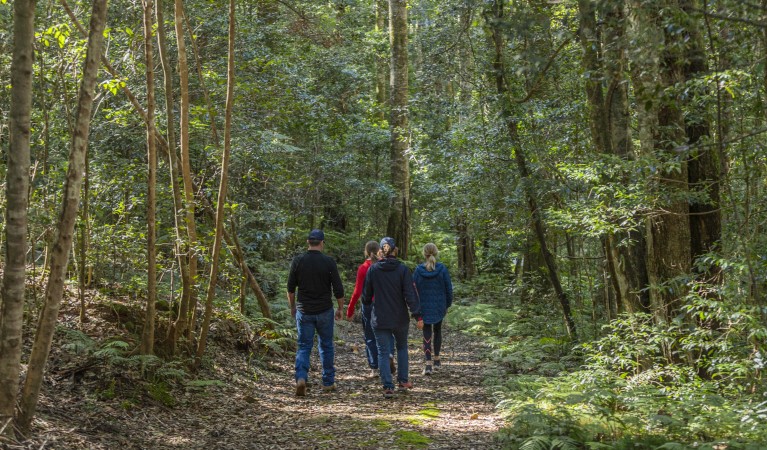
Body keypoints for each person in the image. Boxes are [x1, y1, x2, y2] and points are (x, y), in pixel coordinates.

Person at [363, 237, 423, 398]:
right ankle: (403, 380)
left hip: (380, 317)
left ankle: (388, 386)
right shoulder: (402, 270)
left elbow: (366, 296)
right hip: (399, 318)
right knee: (402, 347)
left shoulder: (373, 270)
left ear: (381, 251)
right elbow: (410, 294)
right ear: (395, 250)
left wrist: (367, 303)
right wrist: (417, 315)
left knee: (383, 352)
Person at [287, 229, 345, 396]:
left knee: (304, 346)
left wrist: (292, 307)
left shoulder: (298, 261)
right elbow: (338, 289)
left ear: (308, 242)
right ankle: (328, 382)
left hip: (304, 311)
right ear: (322, 243)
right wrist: (340, 308)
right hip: (325, 310)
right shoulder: (329, 262)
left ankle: (301, 378)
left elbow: (291, 289)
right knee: (326, 345)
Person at [346, 241, 395, 378]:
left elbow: (357, 291)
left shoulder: (363, 268)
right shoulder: (384, 265)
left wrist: (350, 310)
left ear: (366, 252)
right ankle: (389, 354)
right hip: (384, 303)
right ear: (379, 250)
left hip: (368, 305)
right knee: (387, 331)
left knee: (369, 336)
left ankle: (374, 368)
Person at [413, 243, 453, 375]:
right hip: (439, 306)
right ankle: (437, 360)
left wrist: (415, 308)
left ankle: (428, 364)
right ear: (436, 253)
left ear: (424, 254)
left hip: (424, 307)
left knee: (426, 332)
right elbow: (448, 289)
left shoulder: (418, 270)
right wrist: (447, 304)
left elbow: (413, 290)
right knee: (437, 330)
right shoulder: (442, 269)